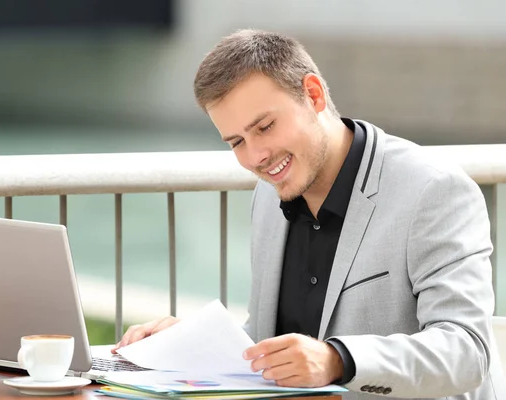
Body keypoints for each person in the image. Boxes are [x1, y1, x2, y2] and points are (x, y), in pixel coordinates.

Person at [112, 29, 506, 399]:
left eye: (265, 127)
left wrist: (339, 360)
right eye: (236, 142)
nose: (255, 157)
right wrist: (191, 344)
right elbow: (276, 340)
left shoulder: (434, 191)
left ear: (313, 95)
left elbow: (468, 350)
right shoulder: (268, 198)